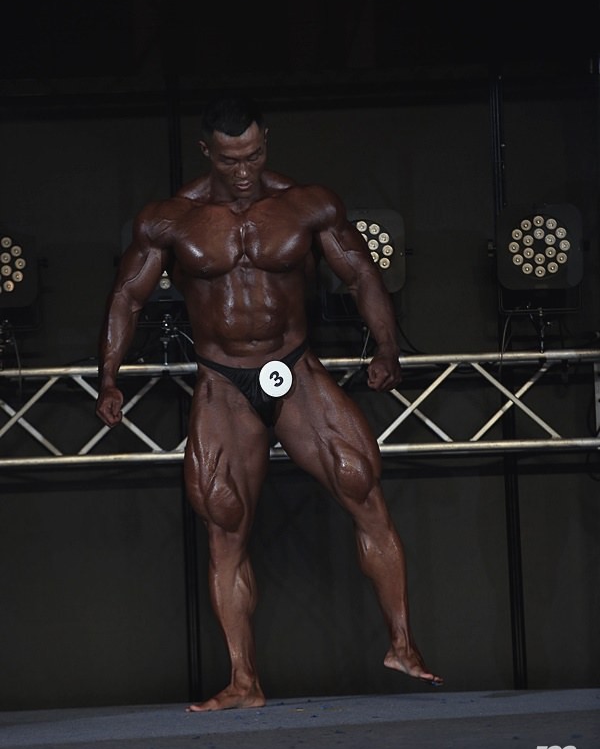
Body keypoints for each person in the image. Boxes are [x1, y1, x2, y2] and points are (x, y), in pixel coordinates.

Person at [96, 94, 442, 711]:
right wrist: (109, 378)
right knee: (225, 524)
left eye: (254, 155)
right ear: (207, 152)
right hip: (223, 383)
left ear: (266, 143)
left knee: (361, 484)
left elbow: (361, 273)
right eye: (230, 160)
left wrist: (388, 348)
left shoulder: (307, 204)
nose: (244, 170)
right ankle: (244, 681)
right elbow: (128, 297)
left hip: (295, 368)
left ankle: (402, 645)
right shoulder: (170, 219)